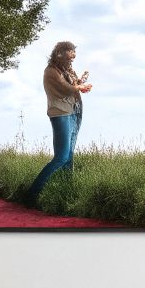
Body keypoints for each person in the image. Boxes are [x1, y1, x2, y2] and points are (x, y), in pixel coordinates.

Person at [25, 40, 93, 206]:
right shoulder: (51, 72)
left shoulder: (66, 69)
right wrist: (79, 87)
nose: (72, 60)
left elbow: (74, 85)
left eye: (73, 58)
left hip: (74, 112)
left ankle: (65, 194)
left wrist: (81, 83)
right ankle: (31, 195)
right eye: (70, 57)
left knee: (69, 156)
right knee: (61, 157)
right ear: (59, 54)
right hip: (61, 114)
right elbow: (67, 89)